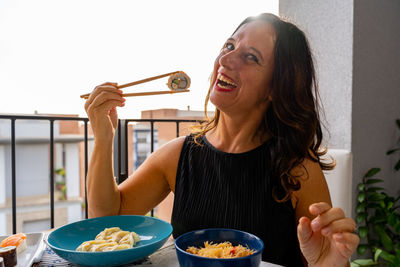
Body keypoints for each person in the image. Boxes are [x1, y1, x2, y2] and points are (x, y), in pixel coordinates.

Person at [84, 13, 359, 267]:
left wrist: (327, 261)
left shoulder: (297, 168)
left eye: (251, 57)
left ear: (276, 88)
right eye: (229, 46)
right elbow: (108, 219)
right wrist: (104, 138)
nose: (226, 60)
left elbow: (322, 257)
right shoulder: (177, 155)